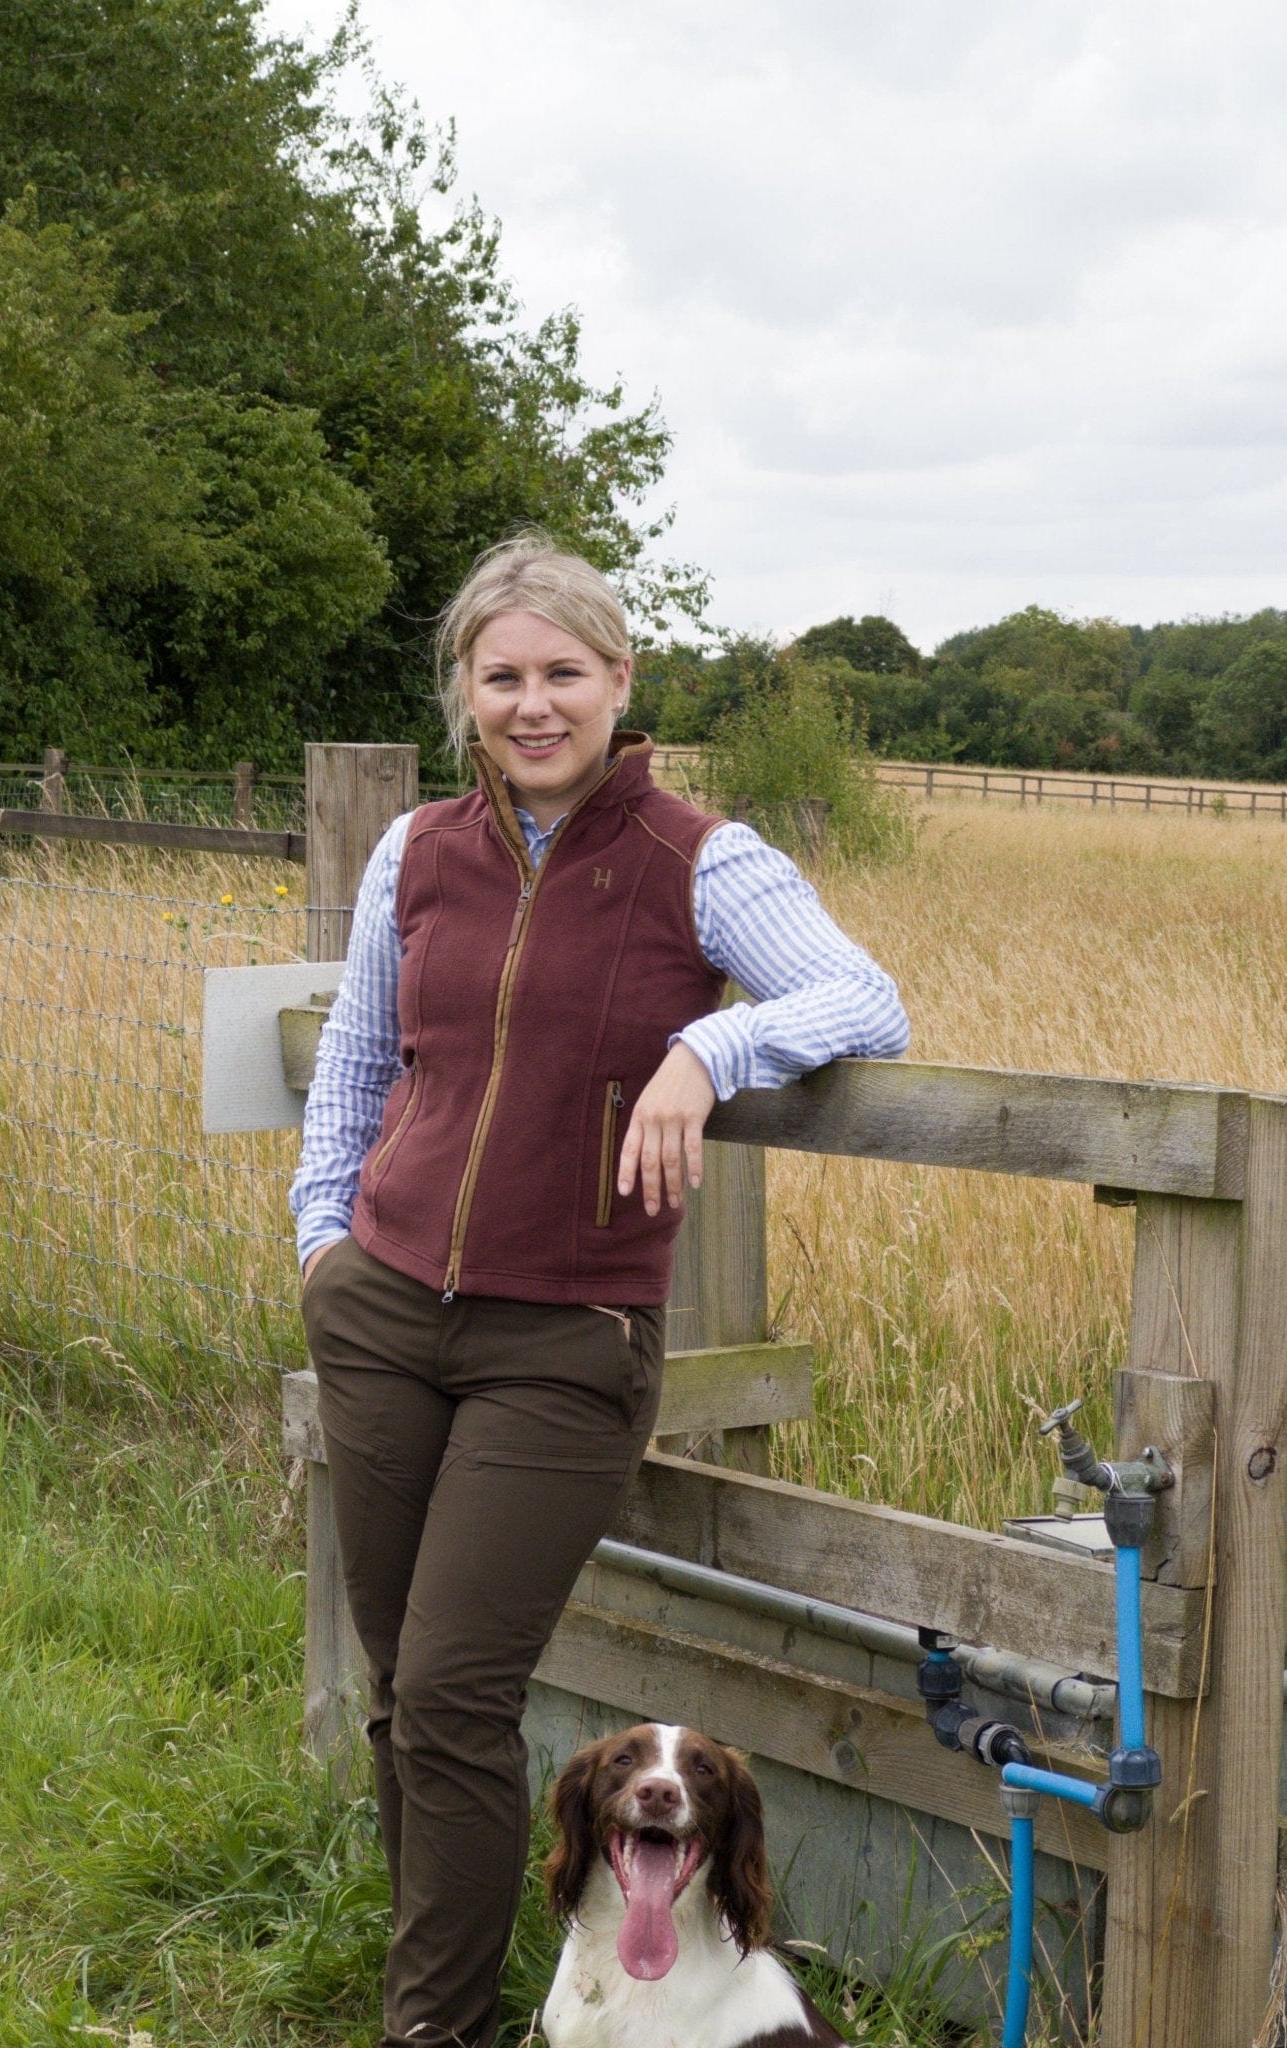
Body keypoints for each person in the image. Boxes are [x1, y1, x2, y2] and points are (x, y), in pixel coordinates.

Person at [290, 533, 909, 2048]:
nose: (533, 703)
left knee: (449, 1691)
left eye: (563, 671)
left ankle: (430, 2031)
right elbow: (364, 1058)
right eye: (501, 676)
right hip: (381, 1306)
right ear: (467, 694)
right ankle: (463, 2009)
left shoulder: (704, 857)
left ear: (620, 680)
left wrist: (712, 1052)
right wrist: (321, 1238)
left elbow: (865, 1002)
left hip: (561, 1339)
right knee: (403, 1704)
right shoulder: (415, 852)